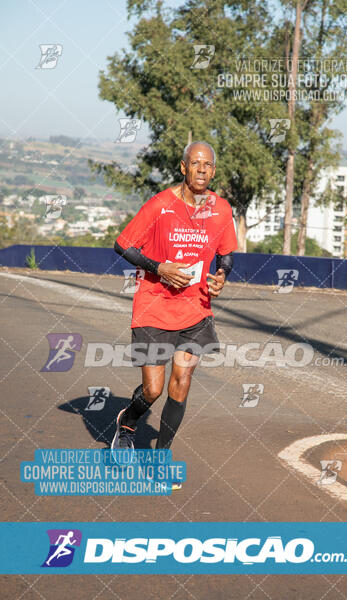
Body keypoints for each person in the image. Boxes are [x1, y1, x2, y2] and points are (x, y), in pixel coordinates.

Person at [111, 141, 237, 487]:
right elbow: (123, 245)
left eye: (207, 165)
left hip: (195, 309)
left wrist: (222, 275)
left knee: (180, 383)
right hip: (154, 305)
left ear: (213, 170)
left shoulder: (221, 209)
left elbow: (226, 254)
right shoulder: (161, 205)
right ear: (183, 167)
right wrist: (159, 268)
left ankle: (160, 454)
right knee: (153, 389)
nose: (201, 170)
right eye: (194, 163)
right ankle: (127, 421)